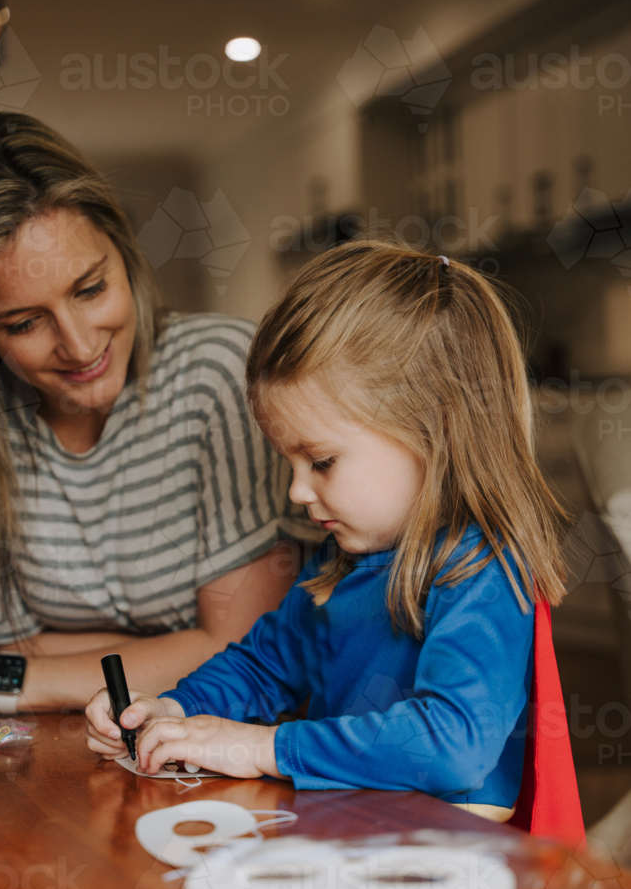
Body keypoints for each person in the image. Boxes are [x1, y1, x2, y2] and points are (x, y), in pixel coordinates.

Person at [85, 241, 569, 818]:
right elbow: (263, 666)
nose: (297, 491)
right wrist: (173, 710)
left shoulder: (480, 568)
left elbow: (452, 744)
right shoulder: (338, 561)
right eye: (287, 462)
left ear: (433, 431)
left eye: (321, 461)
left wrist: (267, 747)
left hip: (445, 860)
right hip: (349, 830)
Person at [0, 112, 322, 712]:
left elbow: (239, 655)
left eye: (90, 289)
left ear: (124, 252)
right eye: (24, 322)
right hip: (80, 750)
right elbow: (0, 640)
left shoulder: (220, 374)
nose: (80, 347)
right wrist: (163, 650)